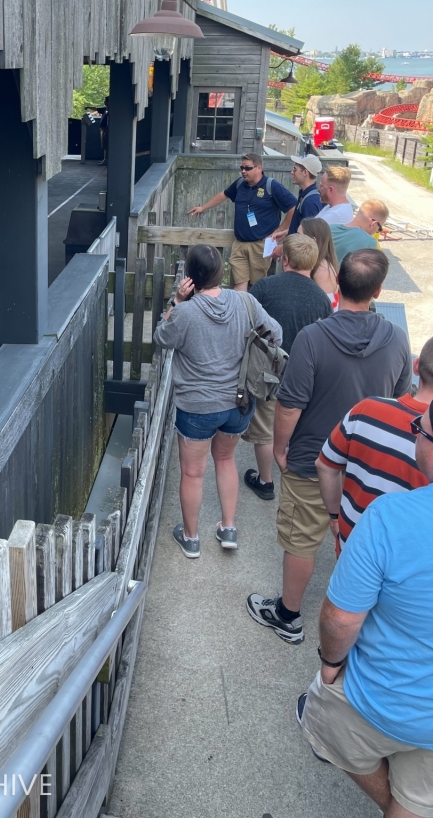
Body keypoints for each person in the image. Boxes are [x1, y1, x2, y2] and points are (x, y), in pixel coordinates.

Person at [247, 249, 412, 644]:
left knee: (302, 538)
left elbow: (290, 405)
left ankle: (287, 615)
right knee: (361, 539)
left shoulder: (313, 338)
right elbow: (400, 397)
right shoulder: (396, 339)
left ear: (337, 284)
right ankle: (354, 619)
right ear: (379, 290)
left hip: (312, 455)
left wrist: (282, 449)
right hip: (368, 464)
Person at [297, 398, 433, 818]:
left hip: (379, 698)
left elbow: (340, 618)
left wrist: (329, 664)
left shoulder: (390, 517)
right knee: (418, 802)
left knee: (320, 719)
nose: (415, 432)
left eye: (421, 428)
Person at [152, 244, 283, 557]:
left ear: (190, 277)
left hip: (197, 407)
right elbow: (275, 334)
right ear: (221, 272)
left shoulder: (184, 313)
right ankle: (228, 528)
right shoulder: (245, 301)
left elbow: (161, 338)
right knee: (225, 460)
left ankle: (191, 537)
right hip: (239, 403)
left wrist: (176, 302)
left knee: (193, 473)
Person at [317, 336, 433, 554]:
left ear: (416, 366)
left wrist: (335, 517)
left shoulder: (366, 409)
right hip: (409, 564)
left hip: (352, 544)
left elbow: (325, 465)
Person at [242, 234, 333, 501]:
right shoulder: (321, 299)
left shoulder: (264, 287)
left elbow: (248, 324)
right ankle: (295, 474)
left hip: (269, 371)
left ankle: (266, 480)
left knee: (265, 430)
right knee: (297, 423)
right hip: (306, 373)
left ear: (284, 260)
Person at [188, 153, 297, 291]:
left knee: (258, 286)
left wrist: (279, 231)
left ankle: (253, 312)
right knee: (239, 285)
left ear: (258, 168)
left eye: (247, 168)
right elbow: (224, 195)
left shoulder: (271, 186)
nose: (243, 171)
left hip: (260, 244)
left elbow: (293, 208)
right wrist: (203, 207)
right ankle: (240, 311)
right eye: (242, 167)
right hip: (239, 244)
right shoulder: (240, 184)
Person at [330, 199, 388, 264]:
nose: (377, 232)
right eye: (379, 229)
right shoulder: (369, 242)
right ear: (373, 224)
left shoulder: (329, 227)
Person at [301, 217, 340, 309]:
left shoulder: (322, 271)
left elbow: (327, 308)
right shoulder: (316, 265)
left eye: (299, 235)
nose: (296, 238)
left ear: (313, 240)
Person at [287, 155, 323, 234]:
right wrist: (286, 232)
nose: (292, 172)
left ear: (305, 172)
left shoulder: (310, 203)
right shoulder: (306, 195)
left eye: (295, 169)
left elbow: (308, 238)